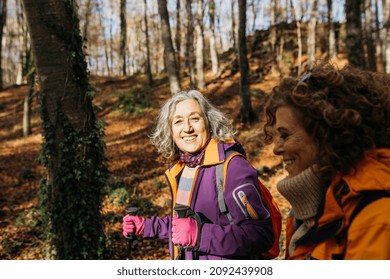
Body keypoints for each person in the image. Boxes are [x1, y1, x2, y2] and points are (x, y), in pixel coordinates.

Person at [123, 90, 275, 260]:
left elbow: (261, 234)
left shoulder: (232, 167)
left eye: (195, 119)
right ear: (170, 131)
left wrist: (201, 235)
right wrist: (146, 227)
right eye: (178, 121)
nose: (187, 128)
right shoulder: (184, 168)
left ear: (209, 123)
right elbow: (183, 225)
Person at [263, 61, 390, 259]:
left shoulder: (375, 217)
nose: (277, 149)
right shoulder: (310, 212)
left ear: (324, 134)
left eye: (285, 135)